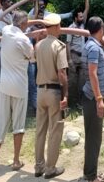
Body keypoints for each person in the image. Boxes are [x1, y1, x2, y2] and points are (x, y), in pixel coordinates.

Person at [0, 11, 34, 172]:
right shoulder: (25, 40)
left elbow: (14, 26)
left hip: (5, 85)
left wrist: (29, 24)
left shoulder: (7, 31)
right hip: (20, 87)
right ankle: (15, 160)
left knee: (0, 122)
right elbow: (32, 58)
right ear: (24, 24)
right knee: (18, 124)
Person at [33, 14, 68, 179]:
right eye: (59, 26)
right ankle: (50, 168)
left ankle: (38, 166)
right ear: (55, 27)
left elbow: (34, 62)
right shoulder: (59, 46)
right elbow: (62, 73)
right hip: (54, 91)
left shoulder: (38, 45)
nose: (60, 29)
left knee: (40, 130)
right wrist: (65, 94)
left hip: (40, 91)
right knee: (55, 130)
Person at [81, 16, 104, 182]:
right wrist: (99, 99)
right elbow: (92, 73)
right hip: (92, 98)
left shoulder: (92, 45)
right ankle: (90, 177)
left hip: (90, 96)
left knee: (93, 137)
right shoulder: (93, 48)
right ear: (101, 28)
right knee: (94, 138)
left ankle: (91, 173)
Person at [66, 0, 89, 106]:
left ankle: (80, 103)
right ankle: (70, 103)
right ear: (75, 18)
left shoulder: (82, 25)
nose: (82, 17)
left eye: (82, 16)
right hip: (74, 55)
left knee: (82, 81)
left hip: (83, 56)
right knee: (72, 81)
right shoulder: (71, 28)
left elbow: (86, 9)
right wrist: (69, 59)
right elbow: (68, 44)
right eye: (80, 16)